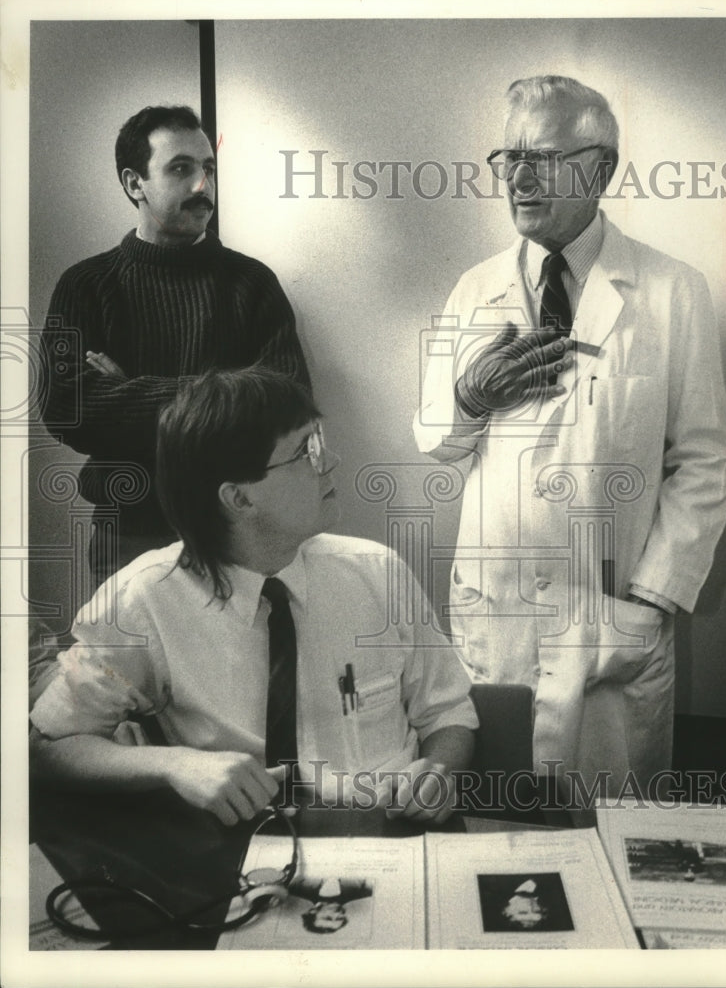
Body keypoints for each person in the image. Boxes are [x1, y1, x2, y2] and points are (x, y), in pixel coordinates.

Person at [413, 75, 726, 796]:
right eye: (507, 157)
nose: (517, 178)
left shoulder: (669, 290)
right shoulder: (476, 289)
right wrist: (469, 397)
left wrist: (651, 599)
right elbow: (436, 442)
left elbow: (704, 460)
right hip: (493, 614)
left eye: (543, 157)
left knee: (611, 826)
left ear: (599, 169)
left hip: (610, 620)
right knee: (493, 823)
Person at [30, 366, 477, 826]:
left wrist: (440, 769)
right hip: (241, 858)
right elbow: (48, 749)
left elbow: (448, 713)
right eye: (308, 450)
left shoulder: (378, 574)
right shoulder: (142, 601)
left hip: (391, 833)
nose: (332, 460)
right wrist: (174, 765)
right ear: (239, 499)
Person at [41, 105, 310, 590]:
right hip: (128, 536)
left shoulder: (251, 283)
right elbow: (67, 409)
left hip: (239, 533)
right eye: (181, 168)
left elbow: (286, 406)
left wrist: (129, 392)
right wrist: (227, 393)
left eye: (208, 168)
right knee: (129, 669)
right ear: (134, 183)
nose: (202, 186)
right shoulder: (85, 285)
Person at [288, 877, 373, 934]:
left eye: (328, 917)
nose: (336, 914)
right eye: (339, 918)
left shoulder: (297, 888)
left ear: (312, 911)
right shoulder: (364, 892)